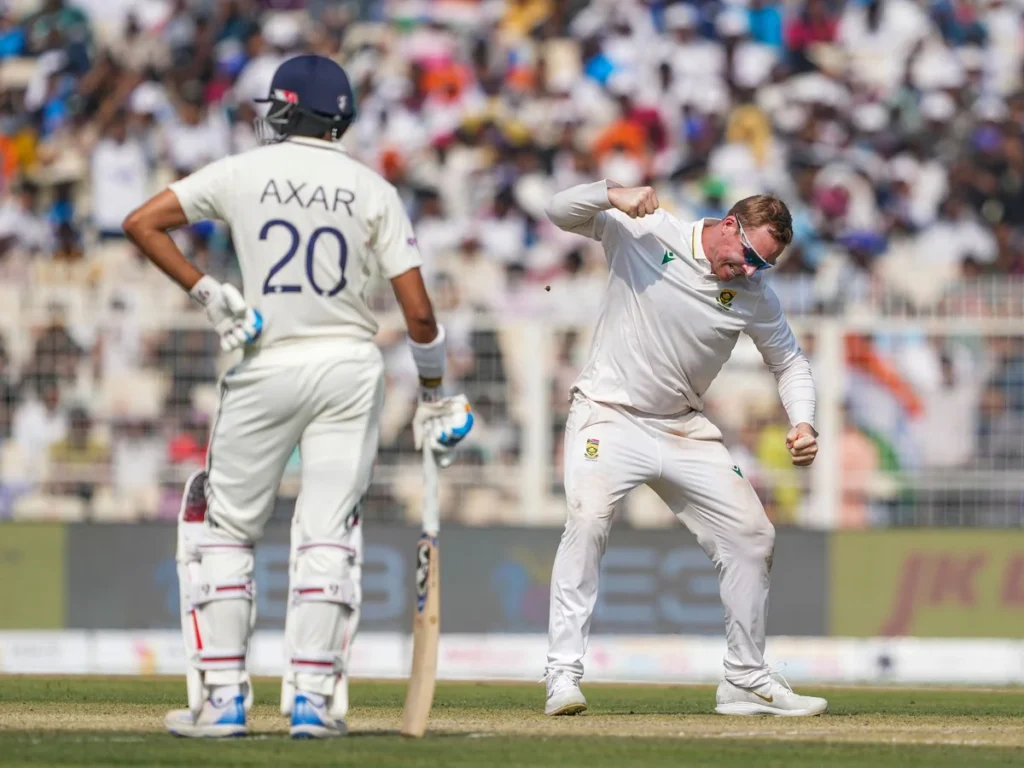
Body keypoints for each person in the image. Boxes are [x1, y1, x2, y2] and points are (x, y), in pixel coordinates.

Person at [123, 55, 473, 740]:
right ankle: (312, 702)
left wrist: (208, 292)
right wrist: (434, 397)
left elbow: (141, 222)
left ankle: (223, 703)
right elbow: (421, 318)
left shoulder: (241, 171)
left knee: (225, 529)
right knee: (327, 532)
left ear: (285, 109)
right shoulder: (372, 189)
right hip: (349, 368)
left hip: (267, 361)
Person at [542, 180, 826, 717]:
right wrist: (608, 193)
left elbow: (789, 363)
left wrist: (803, 422)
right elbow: (556, 211)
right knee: (589, 519)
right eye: (746, 256)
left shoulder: (754, 296)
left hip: (682, 428)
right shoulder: (649, 230)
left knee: (752, 536)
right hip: (608, 413)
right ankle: (562, 674)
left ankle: (744, 679)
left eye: (760, 266)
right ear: (726, 225)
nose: (746, 271)